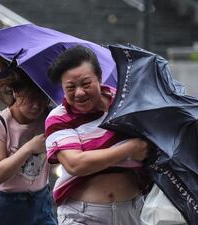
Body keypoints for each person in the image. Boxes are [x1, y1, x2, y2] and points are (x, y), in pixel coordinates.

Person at [45, 45, 150, 225]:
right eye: (70, 87)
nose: (79, 93)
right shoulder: (58, 118)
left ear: (99, 78)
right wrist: (130, 149)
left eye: (86, 84)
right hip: (82, 215)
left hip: (132, 213)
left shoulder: (126, 104)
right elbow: (75, 163)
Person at [0, 26, 57, 225]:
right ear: (16, 92)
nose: (36, 105)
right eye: (30, 98)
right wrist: (29, 148)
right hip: (1, 203)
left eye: (42, 99)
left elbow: (58, 159)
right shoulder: (0, 124)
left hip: (39, 200)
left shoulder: (50, 118)